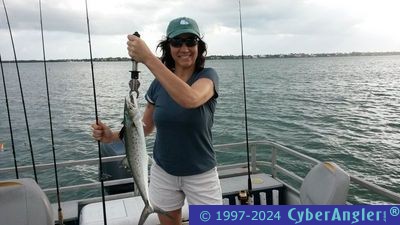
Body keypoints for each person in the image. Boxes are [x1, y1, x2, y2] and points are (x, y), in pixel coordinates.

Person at [92, 17, 222, 225]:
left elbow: (191, 99)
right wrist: (112, 136)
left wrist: (148, 59)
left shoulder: (207, 77)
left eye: (191, 41)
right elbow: (144, 127)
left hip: (201, 174)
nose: (184, 48)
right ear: (168, 47)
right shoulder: (157, 85)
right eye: (177, 42)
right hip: (163, 172)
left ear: (199, 46)